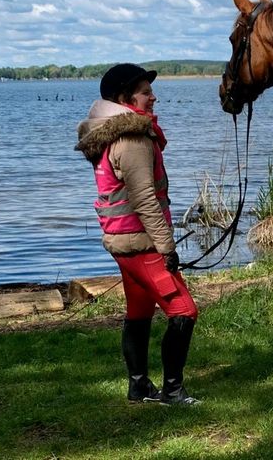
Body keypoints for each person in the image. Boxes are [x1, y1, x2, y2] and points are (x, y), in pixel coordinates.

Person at [75, 63, 200, 406]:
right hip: (141, 244)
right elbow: (144, 199)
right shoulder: (132, 138)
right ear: (123, 99)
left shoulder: (112, 134)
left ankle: (139, 386)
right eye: (145, 91)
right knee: (184, 311)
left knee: (139, 311)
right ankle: (172, 391)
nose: (153, 96)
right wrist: (167, 247)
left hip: (123, 243)